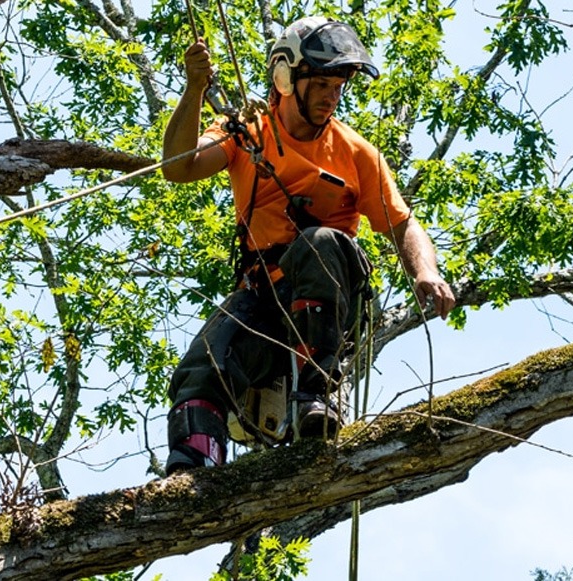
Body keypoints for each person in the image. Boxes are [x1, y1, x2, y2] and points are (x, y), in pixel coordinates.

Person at [160, 16, 455, 475]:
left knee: (317, 243)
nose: (332, 95)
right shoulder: (247, 130)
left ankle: (316, 394)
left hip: (325, 307)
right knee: (203, 365)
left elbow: (403, 225)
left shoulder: (356, 153)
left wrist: (425, 272)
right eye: (320, 83)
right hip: (264, 296)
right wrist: (195, 89)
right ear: (284, 77)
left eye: (338, 85)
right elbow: (180, 167)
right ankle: (193, 467)